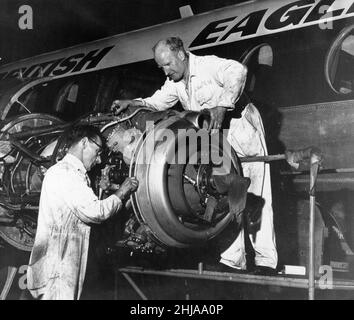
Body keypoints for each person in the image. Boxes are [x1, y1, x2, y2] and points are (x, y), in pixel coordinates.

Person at [111, 36, 277, 275]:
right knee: (226, 197)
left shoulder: (207, 65)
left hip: (242, 128)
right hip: (219, 141)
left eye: (168, 64)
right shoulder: (176, 81)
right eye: (161, 67)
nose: (166, 71)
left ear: (181, 54)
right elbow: (157, 101)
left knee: (257, 193)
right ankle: (233, 259)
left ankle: (266, 261)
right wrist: (134, 102)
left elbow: (239, 71)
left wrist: (222, 105)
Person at [27, 124, 138, 300]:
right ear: (85, 142)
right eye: (98, 151)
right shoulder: (66, 173)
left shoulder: (70, 173)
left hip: (62, 266)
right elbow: (95, 212)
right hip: (58, 269)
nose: (100, 160)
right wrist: (122, 192)